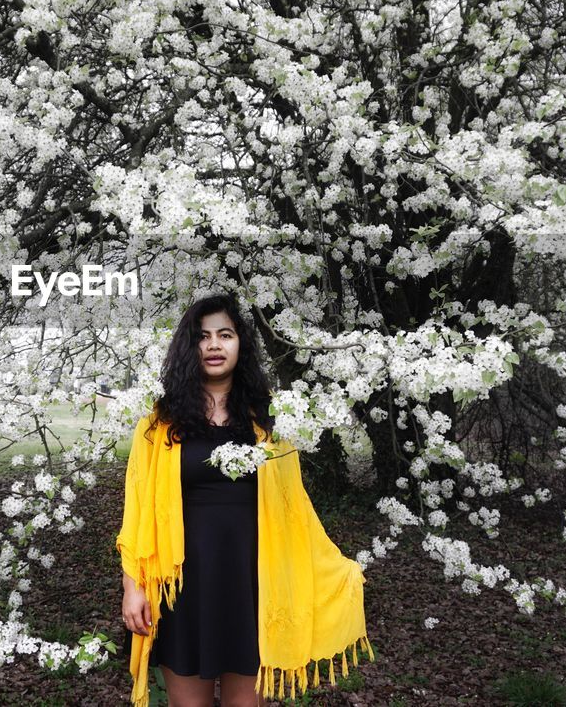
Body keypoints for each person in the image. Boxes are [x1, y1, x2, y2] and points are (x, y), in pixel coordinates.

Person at [116, 293, 375, 707]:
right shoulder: (158, 425)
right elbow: (138, 511)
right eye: (203, 337)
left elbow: (295, 510)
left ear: (242, 344)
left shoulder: (269, 424)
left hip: (250, 583)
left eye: (225, 335)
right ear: (189, 346)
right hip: (182, 586)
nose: (214, 345)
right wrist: (133, 586)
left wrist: (336, 568)